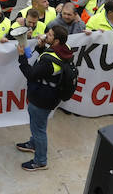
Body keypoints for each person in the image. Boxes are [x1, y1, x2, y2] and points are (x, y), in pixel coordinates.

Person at [16, 26, 72, 172]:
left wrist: (22, 57)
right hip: (50, 96)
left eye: (50, 35)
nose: (47, 35)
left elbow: (32, 74)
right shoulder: (64, 49)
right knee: (39, 125)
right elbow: (48, 67)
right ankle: (34, 144)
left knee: (39, 129)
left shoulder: (49, 62)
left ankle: (40, 161)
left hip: (41, 99)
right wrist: (42, 48)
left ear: (57, 40)